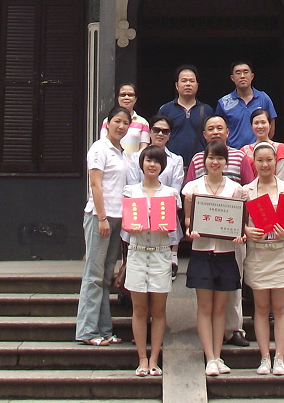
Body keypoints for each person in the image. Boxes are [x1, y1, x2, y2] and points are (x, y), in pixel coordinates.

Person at [186, 115, 255, 347]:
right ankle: (212, 342)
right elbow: (190, 202)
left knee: (233, 286)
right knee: (207, 298)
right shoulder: (197, 160)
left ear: (228, 132)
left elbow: (249, 191)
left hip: (231, 237)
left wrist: (244, 228)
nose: (215, 132)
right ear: (205, 134)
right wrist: (191, 226)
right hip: (204, 241)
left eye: (220, 128)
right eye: (210, 128)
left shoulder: (240, 157)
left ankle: (233, 329)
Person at [182, 141, 247, 376]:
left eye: (220, 158)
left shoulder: (236, 189)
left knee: (220, 308)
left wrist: (240, 235)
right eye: (211, 157)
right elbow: (188, 221)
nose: (215, 162)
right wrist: (190, 230)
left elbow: (241, 223)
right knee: (205, 307)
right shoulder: (193, 188)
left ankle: (218, 356)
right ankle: (209, 357)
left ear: (226, 162)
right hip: (202, 253)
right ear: (204, 160)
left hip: (226, 253)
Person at [76, 106, 131, 346]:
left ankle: (105, 330)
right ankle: (87, 331)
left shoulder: (122, 152)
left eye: (125, 123)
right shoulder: (99, 148)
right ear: (107, 123)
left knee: (106, 276)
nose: (121, 126)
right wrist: (101, 218)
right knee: (94, 275)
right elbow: (95, 185)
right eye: (117, 121)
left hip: (117, 217)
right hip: (100, 216)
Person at [123, 146, 180, 377]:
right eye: (148, 160)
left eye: (157, 161)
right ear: (142, 163)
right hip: (137, 252)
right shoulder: (130, 191)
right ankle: (142, 359)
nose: (152, 165)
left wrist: (165, 225)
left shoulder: (170, 193)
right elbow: (126, 222)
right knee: (139, 309)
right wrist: (132, 225)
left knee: (158, 310)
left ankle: (155, 359)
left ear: (162, 166)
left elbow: (172, 225)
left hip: (160, 253)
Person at [243, 141, 284, 376]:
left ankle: (279, 358)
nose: (265, 164)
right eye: (260, 160)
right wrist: (247, 231)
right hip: (258, 253)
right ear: (254, 163)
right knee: (261, 307)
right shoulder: (246, 191)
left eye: (269, 160)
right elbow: (240, 222)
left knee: (281, 307)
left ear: (276, 162)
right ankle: (264, 357)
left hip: (281, 252)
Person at [127, 115, 184, 280]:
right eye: (156, 130)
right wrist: (146, 211)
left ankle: (172, 259)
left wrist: (159, 213)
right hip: (139, 215)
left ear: (169, 135)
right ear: (150, 132)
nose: (160, 134)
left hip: (165, 214)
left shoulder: (176, 160)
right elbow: (133, 187)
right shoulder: (135, 157)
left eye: (165, 131)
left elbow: (175, 190)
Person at [158, 65, 213, 167]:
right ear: (177, 85)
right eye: (184, 81)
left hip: (200, 165)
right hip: (171, 165)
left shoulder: (207, 110)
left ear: (197, 85)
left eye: (191, 81)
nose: (188, 84)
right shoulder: (166, 110)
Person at [216, 61, 277, 150]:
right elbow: (218, 129)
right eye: (238, 73)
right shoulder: (224, 103)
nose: (242, 76)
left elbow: (271, 126)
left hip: (258, 153)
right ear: (232, 78)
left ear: (252, 76)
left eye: (245, 72)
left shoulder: (264, 98)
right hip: (234, 153)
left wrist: (264, 146)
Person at [101, 82, 150, 159]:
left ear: (135, 99)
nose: (126, 97)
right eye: (123, 95)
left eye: (130, 95)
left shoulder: (143, 123)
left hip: (134, 164)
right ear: (118, 98)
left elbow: (144, 148)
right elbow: (104, 143)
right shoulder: (107, 121)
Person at [241, 108, 284, 180]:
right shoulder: (244, 150)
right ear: (251, 126)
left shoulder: (280, 147)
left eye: (263, 122)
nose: (260, 126)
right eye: (256, 123)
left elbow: (281, 177)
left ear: (270, 125)